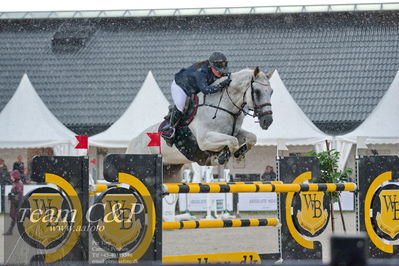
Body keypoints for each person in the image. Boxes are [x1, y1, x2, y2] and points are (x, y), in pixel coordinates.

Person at [160, 52, 232, 146]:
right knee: (181, 106)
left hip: (192, 88)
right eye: (218, 69)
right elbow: (206, 90)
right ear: (211, 66)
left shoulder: (215, 71)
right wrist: (221, 85)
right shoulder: (201, 72)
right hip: (180, 86)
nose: (221, 72)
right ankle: (169, 128)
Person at [3, 170, 24, 235]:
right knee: (15, 217)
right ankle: (14, 231)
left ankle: (11, 231)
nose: (11, 177)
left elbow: (19, 192)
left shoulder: (18, 183)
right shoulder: (16, 183)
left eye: (12, 176)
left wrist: (13, 194)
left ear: (15, 176)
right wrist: (11, 194)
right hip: (16, 202)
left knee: (16, 217)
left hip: (17, 202)